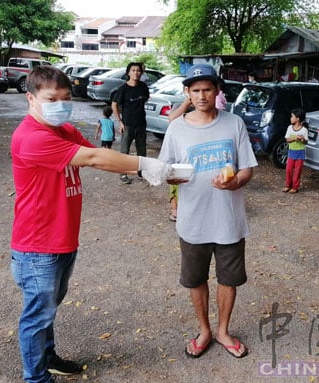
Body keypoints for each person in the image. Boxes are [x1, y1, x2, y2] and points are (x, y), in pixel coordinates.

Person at [10, 65, 170, 383]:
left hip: (62, 239)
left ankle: (48, 358)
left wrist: (161, 171)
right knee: (36, 316)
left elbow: (100, 158)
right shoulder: (32, 137)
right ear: (31, 98)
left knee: (48, 311)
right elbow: (95, 156)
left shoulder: (63, 129)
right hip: (38, 246)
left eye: (66, 98)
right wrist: (146, 164)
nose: (61, 105)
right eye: (52, 99)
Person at [159, 63, 258, 359]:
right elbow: (167, 171)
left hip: (229, 220)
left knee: (228, 279)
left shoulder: (234, 123)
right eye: (196, 90)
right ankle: (204, 330)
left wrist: (235, 182)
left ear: (217, 91)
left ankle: (223, 330)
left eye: (207, 89)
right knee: (196, 279)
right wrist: (173, 179)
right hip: (193, 222)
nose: (202, 95)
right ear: (187, 93)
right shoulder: (176, 128)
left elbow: (248, 168)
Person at [111, 62, 149, 184]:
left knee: (142, 150)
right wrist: (120, 122)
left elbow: (146, 98)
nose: (136, 73)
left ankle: (142, 172)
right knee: (124, 151)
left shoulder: (143, 87)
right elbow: (114, 104)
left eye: (138, 71)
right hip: (127, 125)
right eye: (133, 70)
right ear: (128, 72)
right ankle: (123, 174)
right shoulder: (123, 89)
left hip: (141, 124)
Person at [282, 108, 308, 193]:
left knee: (297, 170)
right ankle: (287, 185)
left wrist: (302, 139)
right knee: (288, 169)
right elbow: (287, 139)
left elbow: (306, 142)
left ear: (297, 118)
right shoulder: (289, 128)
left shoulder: (304, 130)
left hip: (300, 153)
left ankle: (295, 187)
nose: (290, 118)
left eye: (292, 116)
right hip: (291, 152)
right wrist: (294, 138)